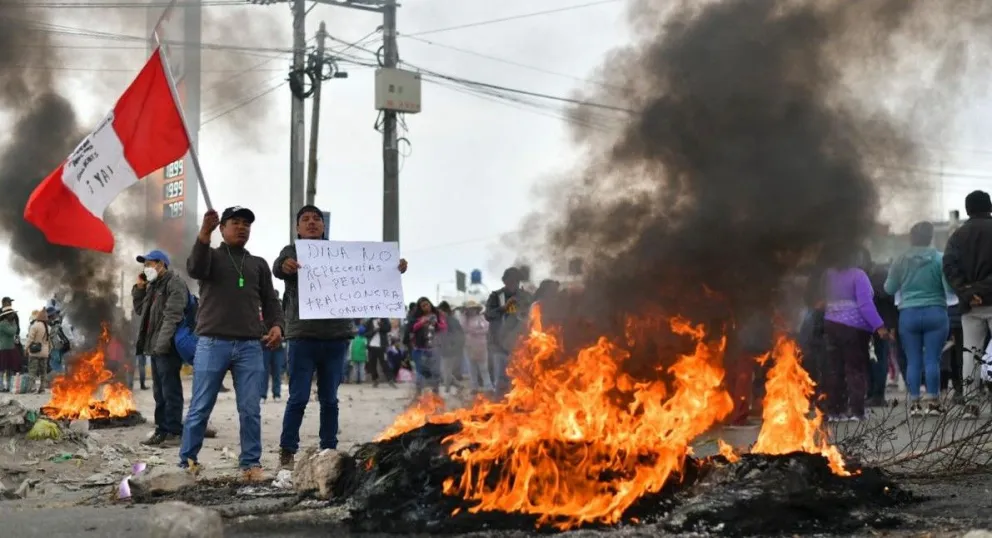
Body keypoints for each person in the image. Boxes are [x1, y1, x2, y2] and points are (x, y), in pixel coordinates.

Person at [180, 206, 284, 482]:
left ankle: (251, 463)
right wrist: (204, 232)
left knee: (250, 409)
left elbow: (271, 301)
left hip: (250, 345)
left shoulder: (258, 264)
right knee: (201, 407)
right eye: (235, 223)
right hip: (212, 343)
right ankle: (187, 461)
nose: (242, 227)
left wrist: (276, 325)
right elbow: (194, 268)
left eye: (246, 224)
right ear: (222, 229)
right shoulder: (211, 257)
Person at [885, 222, 954, 416]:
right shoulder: (940, 259)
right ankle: (933, 402)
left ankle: (914, 403)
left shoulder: (900, 260)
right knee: (932, 359)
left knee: (913, 360)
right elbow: (948, 289)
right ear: (930, 237)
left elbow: (889, 288)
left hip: (909, 314)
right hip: (936, 312)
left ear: (911, 238)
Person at [822, 247, 890, 422]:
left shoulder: (828, 276)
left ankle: (835, 410)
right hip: (854, 329)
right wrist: (879, 326)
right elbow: (865, 305)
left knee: (834, 369)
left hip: (830, 325)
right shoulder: (858, 276)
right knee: (855, 369)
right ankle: (857, 411)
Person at [132, 249, 190, 447]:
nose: (146, 267)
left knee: (170, 389)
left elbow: (172, 317)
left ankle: (175, 431)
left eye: (149, 263)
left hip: (168, 346)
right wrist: (139, 289)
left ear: (162, 264)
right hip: (155, 346)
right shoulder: (154, 287)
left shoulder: (175, 284)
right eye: (145, 264)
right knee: (159, 391)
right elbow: (141, 310)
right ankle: (162, 430)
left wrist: (162, 344)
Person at [943, 190, 992, 419]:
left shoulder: (957, 236)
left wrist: (966, 292)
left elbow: (949, 267)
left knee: (970, 354)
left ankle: (970, 406)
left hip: (970, 307)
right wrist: (981, 290)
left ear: (968, 209)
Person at [485, 267, 532, 396]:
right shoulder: (496, 296)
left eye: (516, 281)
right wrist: (504, 308)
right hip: (498, 344)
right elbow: (488, 315)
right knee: (501, 380)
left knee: (521, 379)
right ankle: (500, 408)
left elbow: (532, 315)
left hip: (519, 345)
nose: (513, 284)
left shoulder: (526, 296)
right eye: (510, 281)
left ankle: (517, 407)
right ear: (504, 281)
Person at [410, 297, 446, 395]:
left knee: (436, 373)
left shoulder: (437, 315)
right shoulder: (416, 317)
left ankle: (436, 394)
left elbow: (444, 327)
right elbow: (411, 328)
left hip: (435, 349)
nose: (426, 307)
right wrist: (422, 322)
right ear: (420, 308)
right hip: (420, 349)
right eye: (423, 306)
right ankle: (418, 394)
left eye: (427, 304)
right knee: (420, 373)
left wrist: (436, 324)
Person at [462, 300, 494, 393]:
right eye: (469, 309)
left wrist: (475, 332)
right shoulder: (465, 319)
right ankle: (474, 387)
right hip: (469, 346)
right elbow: (463, 328)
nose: (471, 310)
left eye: (473, 308)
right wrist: (464, 315)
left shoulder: (481, 318)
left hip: (481, 345)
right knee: (471, 368)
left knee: (483, 368)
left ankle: (488, 387)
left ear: (476, 309)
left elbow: (486, 329)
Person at [437, 301, 465, 394]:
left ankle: (447, 389)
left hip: (451, 350)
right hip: (444, 349)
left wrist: (454, 346)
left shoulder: (452, 321)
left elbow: (459, 335)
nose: (439, 313)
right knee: (445, 371)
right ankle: (458, 386)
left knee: (446, 371)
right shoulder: (442, 321)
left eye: (440, 311)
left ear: (445, 311)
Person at [362, 318, 394, 388]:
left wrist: (380, 325)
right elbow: (365, 334)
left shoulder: (384, 319)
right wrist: (374, 331)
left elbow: (388, 328)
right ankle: (375, 380)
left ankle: (390, 380)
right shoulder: (369, 321)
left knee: (384, 363)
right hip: (371, 346)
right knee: (372, 364)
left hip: (382, 346)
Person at [24, 308, 50, 394]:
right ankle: (42, 389)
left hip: (35, 352)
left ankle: (32, 388)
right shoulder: (48, 327)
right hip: (45, 353)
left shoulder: (35, 326)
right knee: (43, 371)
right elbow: (49, 342)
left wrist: (26, 348)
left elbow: (30, 339)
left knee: (32, 370)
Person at [0, 306, 20, 393]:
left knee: (9, 369)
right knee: (2, 369)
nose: (13, 315)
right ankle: (1, 386)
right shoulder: (3, 324)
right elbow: (12, 332)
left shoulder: (7, 323)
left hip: (9, 348)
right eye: (11, 314)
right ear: (6, 315)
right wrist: (15, 324)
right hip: (4, 348)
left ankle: (7, 386)